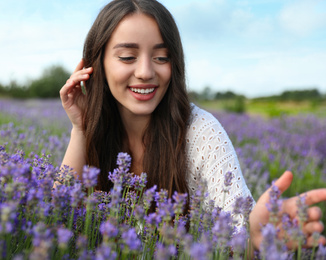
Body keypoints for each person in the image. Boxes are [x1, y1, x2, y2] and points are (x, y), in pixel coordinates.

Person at [59, 0, 326, 251]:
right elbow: (57, 215)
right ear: (96, 64)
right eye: (128, 57)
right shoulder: (96, 131)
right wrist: (80, 129)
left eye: (161, 57)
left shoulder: (201, 132)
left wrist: (253, 237)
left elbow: (237, 227)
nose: (145, 71)